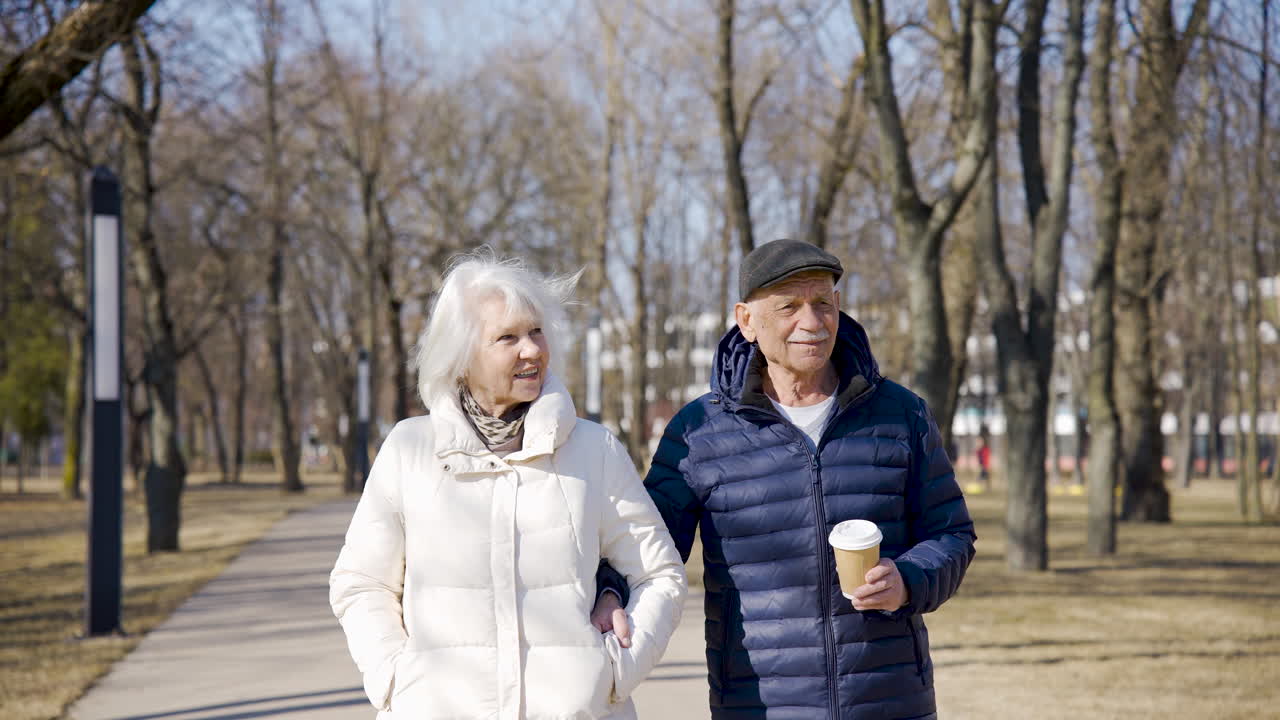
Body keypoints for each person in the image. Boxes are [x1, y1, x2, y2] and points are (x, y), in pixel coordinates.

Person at [595, 239, 976, 719]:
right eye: (789, 307)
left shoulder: (901, 414)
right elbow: (645, 545)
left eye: (823, 304)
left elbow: (951, 533)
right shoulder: (699, 433)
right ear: (747, 320)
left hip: (889, 699)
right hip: (759, 704)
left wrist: (909, 579)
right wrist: (610, 591)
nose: (812, 323)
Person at [331, 251, 687, 719]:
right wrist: (396, 680)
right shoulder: (409, 449)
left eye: (536, 332)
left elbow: (658, 573)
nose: (532, 350)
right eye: (508, 338)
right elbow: (361, 583)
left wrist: (615, 672)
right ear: (460, 356)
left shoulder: (593, 448)